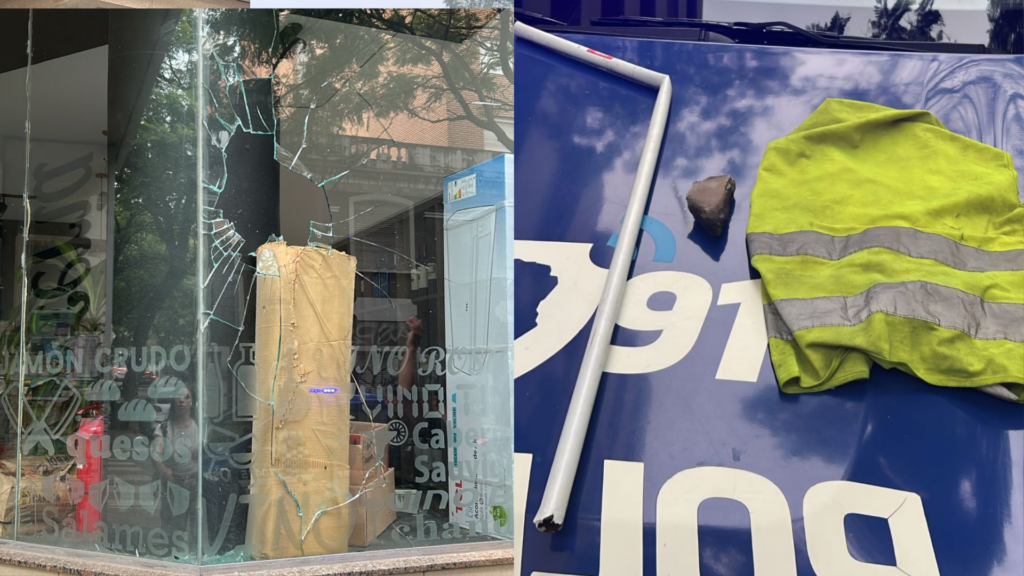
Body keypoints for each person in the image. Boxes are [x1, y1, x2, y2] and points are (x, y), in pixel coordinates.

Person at [152, 374, 199, 557]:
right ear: (173, 401)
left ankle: (192, 558)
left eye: (186, 397)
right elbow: (156, 454)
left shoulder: (199, 427)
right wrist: (165, 472)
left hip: (196, 485)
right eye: (178, 397)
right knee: (173, 528)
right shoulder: (164, 428)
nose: (182, 401)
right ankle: (172, 561)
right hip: (173, 485)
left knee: (196, 528)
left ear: (192, 402)